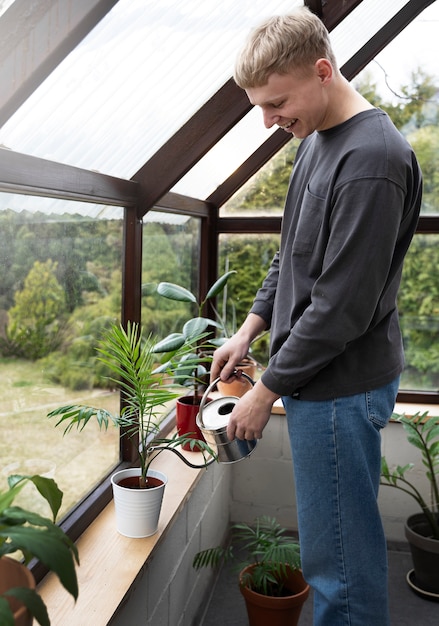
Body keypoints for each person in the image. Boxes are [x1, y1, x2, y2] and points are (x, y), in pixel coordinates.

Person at [210, 7, 422, 626]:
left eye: (276, 103)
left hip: (340, 387)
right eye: (260, 107)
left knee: (340, 570)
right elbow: (293, 255)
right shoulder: (317, 140)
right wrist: (249, 330)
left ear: (323, 71)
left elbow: (340, 308)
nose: (270, 121)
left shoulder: (372, 160)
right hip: (316, 382)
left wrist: (264, 391)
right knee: (332, 549)